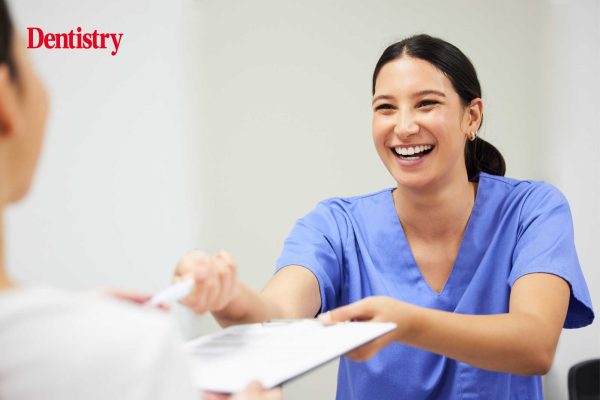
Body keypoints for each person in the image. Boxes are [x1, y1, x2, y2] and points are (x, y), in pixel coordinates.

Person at [174, 34, 595, 399]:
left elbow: (534, 344)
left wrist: (406, 323)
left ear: (472, 116)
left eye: (426, 104)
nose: (404, 127)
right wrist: (228, 296)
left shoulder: (532, 211)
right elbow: (275, 317)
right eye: (386, 108)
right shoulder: (337, 226)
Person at [0, 1, 281, 399]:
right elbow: (284, 316)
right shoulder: (132, 354)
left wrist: (67, 315)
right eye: (31, 60)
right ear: (5, 102)